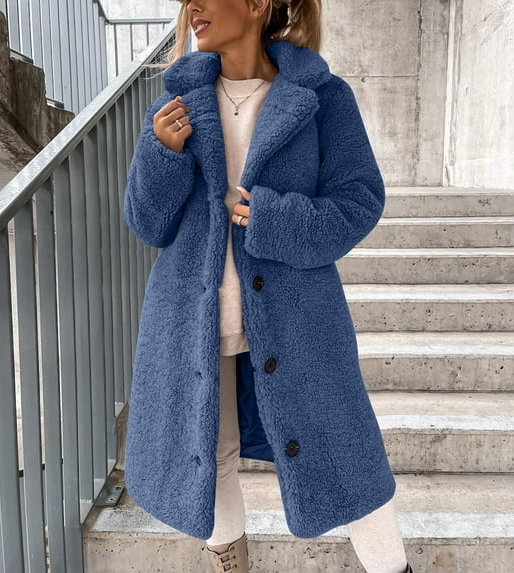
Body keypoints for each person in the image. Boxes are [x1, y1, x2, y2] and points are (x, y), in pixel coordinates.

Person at [123, 0, 414, 571]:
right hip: (194, 317)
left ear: (256, 5)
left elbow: (360, 200)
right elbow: (148, 225)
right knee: (212, 456)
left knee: (349, 458)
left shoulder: (323, 97)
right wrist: (163, 154)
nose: (192, 8)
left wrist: (278, 220)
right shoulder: (174, 106)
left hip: (299, 317)